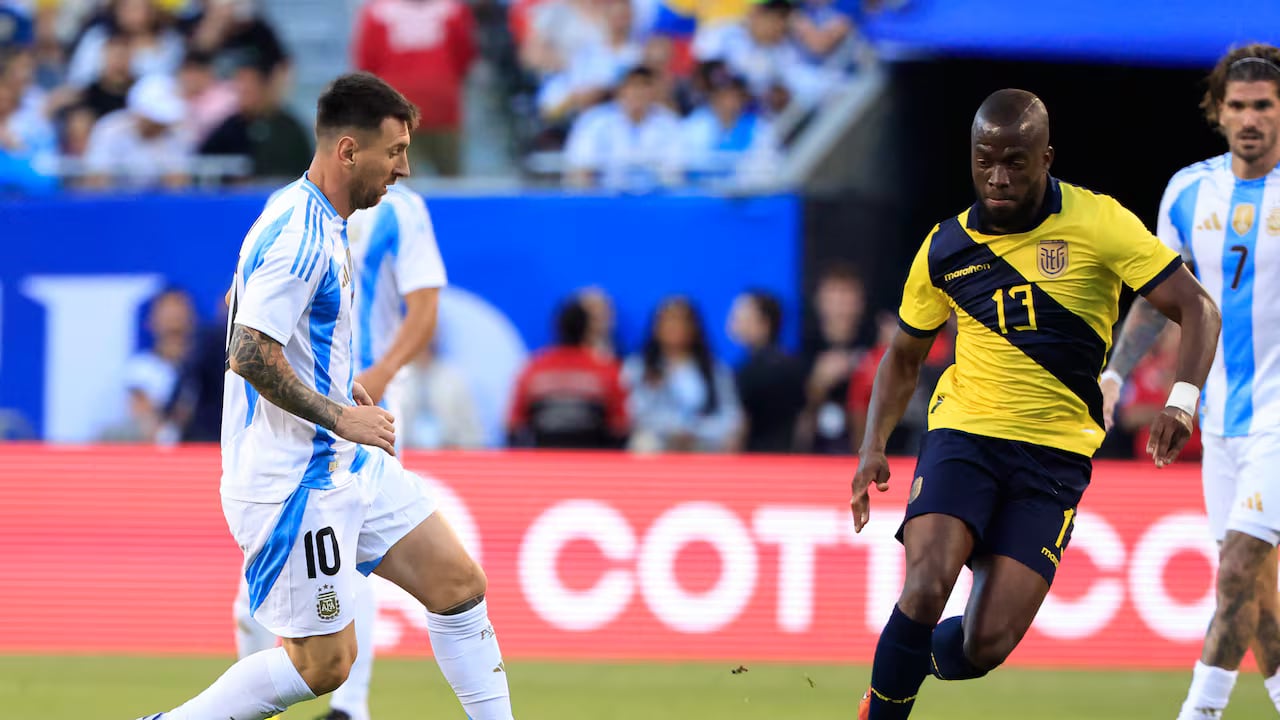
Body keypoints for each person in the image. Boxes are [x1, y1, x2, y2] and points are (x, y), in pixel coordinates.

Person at [136, 72, 513, 720]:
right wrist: (341, 413)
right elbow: (249, 351)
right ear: (348, 151)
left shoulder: (320, 214)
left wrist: (343, 389)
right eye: (394, 152)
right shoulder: (301, 235)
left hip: (340, 457)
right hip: (292, 481)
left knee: (457, 584)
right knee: (323, 665)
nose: (404, 168)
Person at [849, 88, 1220, 720]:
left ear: (1046, 157)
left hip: (1053, 459)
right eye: (984, 159)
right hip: (964, 435)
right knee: (927, 581)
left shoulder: (1098, 222)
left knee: (983, 645)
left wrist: (1181, 401)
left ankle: (904, 661)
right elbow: (904, 357)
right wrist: (871, 446)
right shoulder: (945, 249)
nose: (997, 176)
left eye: (1015, 161)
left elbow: (1196, 307)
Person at [230, 148, 450, 720]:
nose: (402, 163)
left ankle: (351, 708)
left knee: (353, 559)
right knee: (258, 601)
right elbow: (246, 317)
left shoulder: (402, 212)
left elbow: (425, 310)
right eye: (395, 148)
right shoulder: (299, 216)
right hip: (299, 415)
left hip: (363, 405)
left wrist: (377, 374)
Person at [1099, 44, 1280, 720]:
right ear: (1218, 111)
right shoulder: (1188, 191)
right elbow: (1157, 299)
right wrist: (1117, 370)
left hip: (1279, 420)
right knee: (1257, 595)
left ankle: (1195, 714)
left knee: (1235, 570)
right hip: (1222, 424)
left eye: (1264, 105)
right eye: (1238, 106)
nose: (1250, 119)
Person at [508, 297, 629, 448]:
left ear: (557, 327)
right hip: (593, 462)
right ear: (587, 329)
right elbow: (620, 426)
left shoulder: (534, 367)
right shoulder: (607, 368)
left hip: (543, 459)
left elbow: (513, 425)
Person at [726, 289, 806, 453]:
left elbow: (742, 423)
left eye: (741, 316)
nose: (732, 321)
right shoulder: (794, 363)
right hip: (790, 454)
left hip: (756, 458)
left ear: (764, 323)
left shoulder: (749, 371)